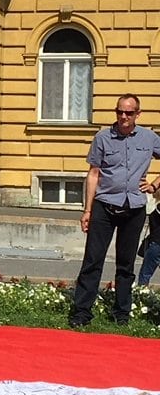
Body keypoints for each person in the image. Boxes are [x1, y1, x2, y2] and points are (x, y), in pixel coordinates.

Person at [69, 93, 160, 328]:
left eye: (129, 113)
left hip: (134, 208)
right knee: (92, 261)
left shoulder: (149, 138)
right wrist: (87, 210)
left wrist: (154, 185)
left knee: (126, 264)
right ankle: (81, 313)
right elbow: (93, 174)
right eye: (119, 112)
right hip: (104, 207)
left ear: (137, 114)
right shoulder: (102, 138)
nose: (123, 116)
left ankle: (121, 313)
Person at [137, 190, 160, 286]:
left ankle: (142, 295)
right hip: (156, 243)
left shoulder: (155, 209)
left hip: (155, 243)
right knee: (145, 273)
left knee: (145, 274)